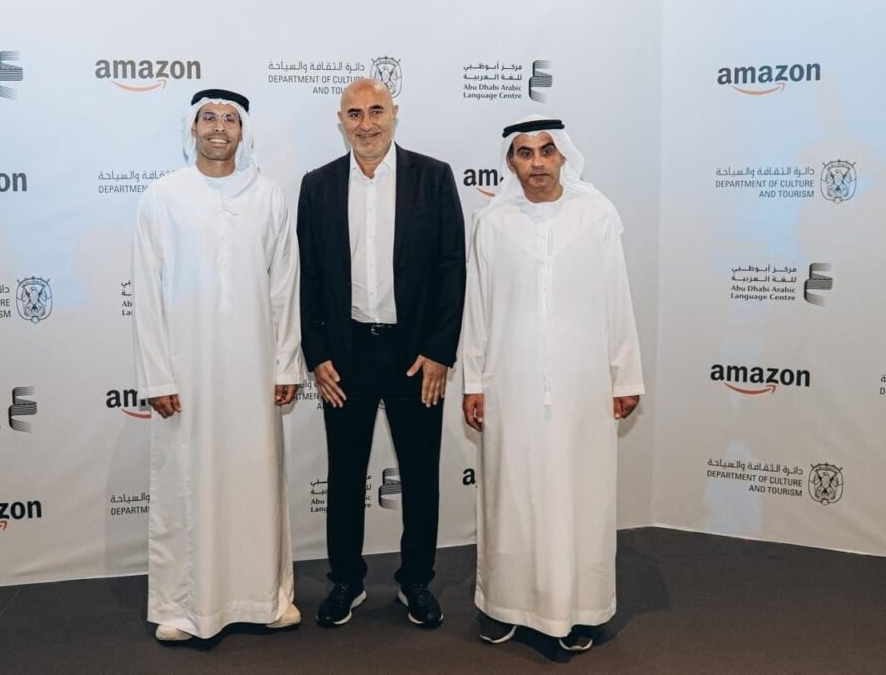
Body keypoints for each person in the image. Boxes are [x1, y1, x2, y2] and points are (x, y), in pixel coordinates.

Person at [462, 115, 644, 652]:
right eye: (524, 153)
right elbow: (478, 309)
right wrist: (475, 380)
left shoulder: (597, 215)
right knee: (510, 495)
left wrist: (624, 374)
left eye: (546, 151)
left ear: (564, 156)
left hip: (583, 384)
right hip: (509, 386)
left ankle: (579, 610)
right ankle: (504, 605)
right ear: (510, 160)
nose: (536, 163)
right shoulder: (492, 223)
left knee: (577, 496)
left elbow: (618, 297)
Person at [132, 88, 303, 641]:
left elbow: (284, 287)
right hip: (187, 372)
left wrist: (285, 365)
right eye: (209, 117)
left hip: (253, 371)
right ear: (192, 129)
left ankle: (265, 599)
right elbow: (147, 295)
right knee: (188, 481)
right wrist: (156, 373)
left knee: (255, 480)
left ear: (243, 130)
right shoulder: (162, 196)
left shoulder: (268, 195)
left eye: (229, 119)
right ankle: (184, 608)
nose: (218, 127)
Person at [297, 78, 465, 628]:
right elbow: (311, 278)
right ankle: (346, 580)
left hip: (415, 358)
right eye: (354, 114)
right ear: (339, 120)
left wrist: (440, 350)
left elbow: (450, 270)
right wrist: (316, 352)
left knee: (420, 475)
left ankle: (416, 581)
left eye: (376, 111)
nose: (365, 124)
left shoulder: (433, 177)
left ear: (396, 115)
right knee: (345, 475)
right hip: (345, 357)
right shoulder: (317, 185)